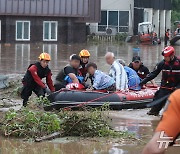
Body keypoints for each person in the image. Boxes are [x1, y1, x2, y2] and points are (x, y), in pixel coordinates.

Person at [140, 46, 180, 116]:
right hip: (165, 88)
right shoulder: (162, 63)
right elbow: (154, 73)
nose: (164, 58)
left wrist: (178, 87)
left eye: (166, 56)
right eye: (164, 56)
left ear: (172, 55)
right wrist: (143, 81)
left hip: (177, 89)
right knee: (154, 110)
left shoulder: (179, 63)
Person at [142, 89, 180, 154]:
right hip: (167, 89)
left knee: (154, 111)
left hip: (168, 91)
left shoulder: (178, 96)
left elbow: (154, 149)